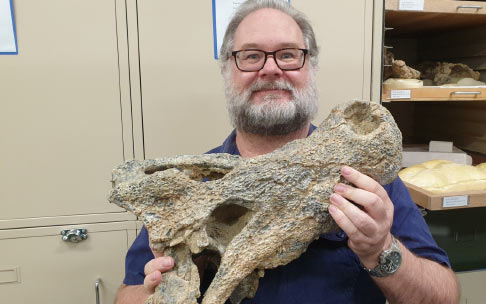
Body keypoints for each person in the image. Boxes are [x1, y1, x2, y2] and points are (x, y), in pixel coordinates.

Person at [115, 1, 460, 303]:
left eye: (287, 55)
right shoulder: (192, 189)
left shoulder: (364, 178)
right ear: (227, 71)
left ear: (310, 66)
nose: (270, 68)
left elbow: (444, 297)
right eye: (251, 56)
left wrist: (381, 249)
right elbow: (127, 293)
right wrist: (157, 291)